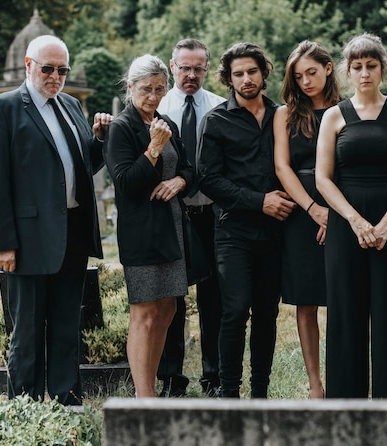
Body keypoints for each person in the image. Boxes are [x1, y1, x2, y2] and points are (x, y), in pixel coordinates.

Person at [0, 35, 112, 405]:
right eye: (47, 68)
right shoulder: (2, 109)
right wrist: (1, 242)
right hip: (27, 238)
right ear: (28, 65)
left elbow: (80, 168)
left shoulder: (69, 105)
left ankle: (67, 403)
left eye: (62, 69)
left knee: (68, 327)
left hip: (72, 234)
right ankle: (25, 408)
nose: (55, 76)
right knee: (28, 331)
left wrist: (99, 142)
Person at [315, 33, 387, 398]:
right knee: (346, 312)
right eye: (357, 67)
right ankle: (346, 402)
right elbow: (322, 179)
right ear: (346, 71)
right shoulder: (333, 116)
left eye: (371, 66)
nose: (364, 73)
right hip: (347, 226)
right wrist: (356, 222)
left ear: (383, 69)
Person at [198, 42, 296, 399]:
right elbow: (208, 179)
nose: (246, 79)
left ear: (263, 72)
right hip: (233, 231)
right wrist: (259, 202)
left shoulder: (282, 115)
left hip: (276, 231)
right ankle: (228, 393)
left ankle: (260, 394)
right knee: (235, 310)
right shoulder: (217, 120)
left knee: (267, 312)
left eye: (251, 71)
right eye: (238, 74)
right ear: (228, 79)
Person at [104, 54, 195, 398]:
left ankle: (152, 384)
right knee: (144, 313)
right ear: (130, 88)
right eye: (146, 89)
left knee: (168, 308)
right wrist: (154, 149)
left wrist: (180, 183)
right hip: (141, 230)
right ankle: (145, 396)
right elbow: (126, 182)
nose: (153, 96)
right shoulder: (121, 128)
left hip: (172, 228)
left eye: (160, 89)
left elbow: (189, 169)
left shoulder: (165, 121)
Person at [156, 38, 225, 398]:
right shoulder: (157, 107)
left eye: (199, 68)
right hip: (172, 215)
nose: (192, 75)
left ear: (208, 70)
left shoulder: (220, 106)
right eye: (185, 68)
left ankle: (213, 377)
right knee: (172, 299)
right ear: (173, 66)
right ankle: (172, 378)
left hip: (212, 214)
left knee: (213, 298)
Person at [273, 40, 340, 399]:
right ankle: (315, 385)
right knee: (307, 301)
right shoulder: (285, 114)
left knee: (345, 298)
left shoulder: (348, 110)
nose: (305, 82)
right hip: (302, 215)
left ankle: (345, 377)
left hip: (343, 211)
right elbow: (283, 167)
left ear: (328, 68)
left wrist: (335, 216)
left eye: (311, 73)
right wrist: (314, 211)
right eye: (298, 77)